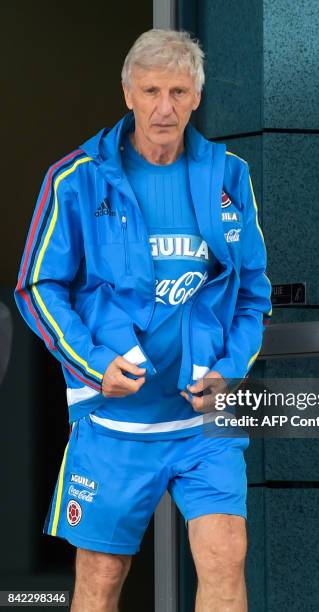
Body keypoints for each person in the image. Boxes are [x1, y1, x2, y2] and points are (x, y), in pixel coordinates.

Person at [14, 28, 272, 611]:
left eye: (178, 91)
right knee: (101, 577)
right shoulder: (76, 177)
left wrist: (229, 372)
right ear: (127, 92)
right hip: (115, 422)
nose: (164, 108)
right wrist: (91, 362)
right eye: (151, 90)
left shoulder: (229, 177)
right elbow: (37, 287)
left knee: (226, 552)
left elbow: (253, 293)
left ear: (197, 97)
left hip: (203, 422)